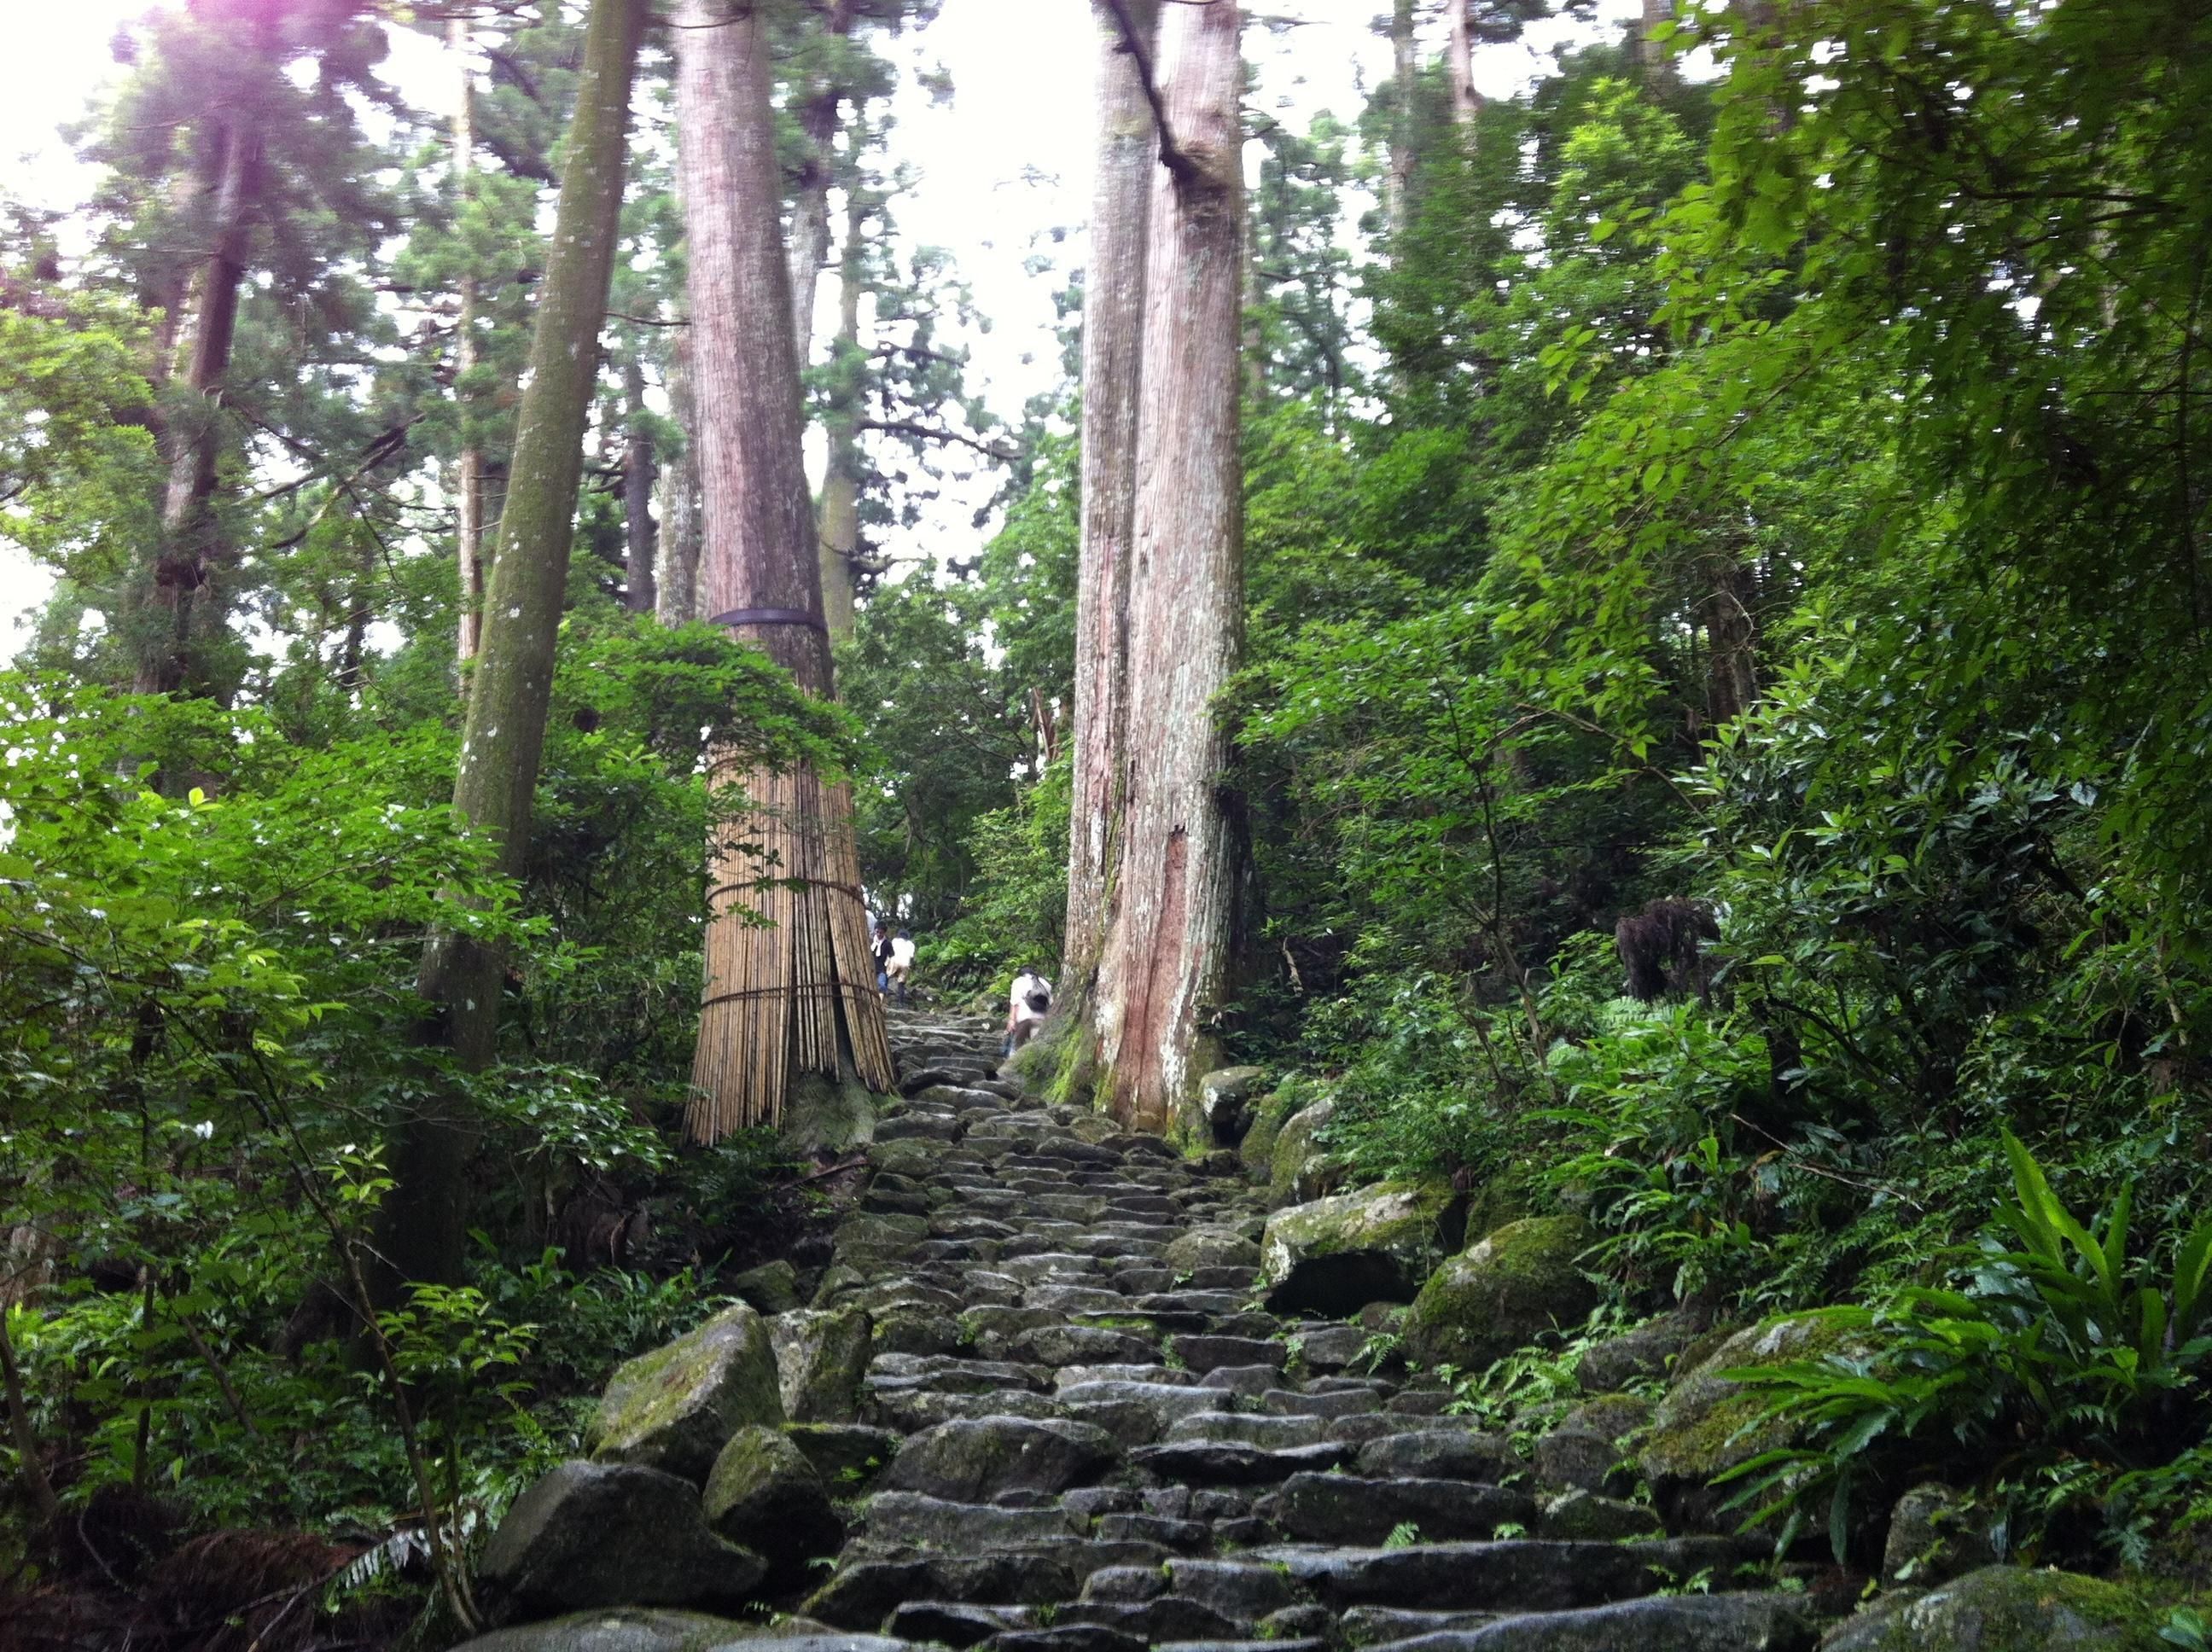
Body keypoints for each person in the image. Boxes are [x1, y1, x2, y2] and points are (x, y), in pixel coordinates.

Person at [1005, 965, 1053, 1055]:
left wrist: (1012, 1020)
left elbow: (1015, 1003)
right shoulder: (1045, 983)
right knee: (1036, 1047)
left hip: (1024, 1018)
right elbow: (1051, 1003)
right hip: (1041, 1019)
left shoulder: (1018, 982)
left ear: (1022, 974)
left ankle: (1013, 1064)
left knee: (1017, 1048)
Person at [886, 930, 917, 1003]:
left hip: (895, 962)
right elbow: (912, 956)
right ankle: (900, 1003)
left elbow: (890, 952)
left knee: (886, 978)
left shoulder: (895, 941)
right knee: (901, 984)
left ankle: (884, 997)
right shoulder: (911, 944)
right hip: (905, 964)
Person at [872, 921, 894, 996]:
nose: (879, 934)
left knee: (881, 986)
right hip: (870, 968)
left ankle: (880, 1005)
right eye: (877, 932)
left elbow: (892, 956)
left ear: (884, 933)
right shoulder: (870, 941)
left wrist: (889, 967)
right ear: (874, 930)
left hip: (881, 969)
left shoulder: (887, 943)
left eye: (881, 933)